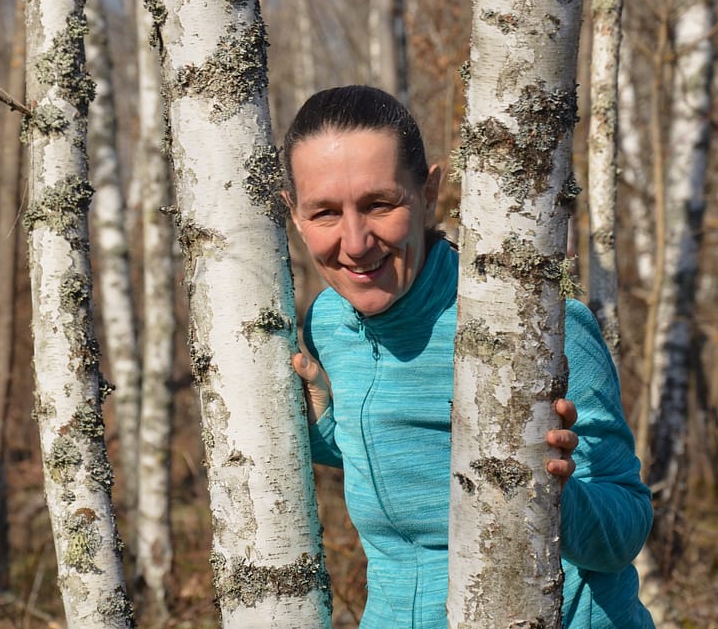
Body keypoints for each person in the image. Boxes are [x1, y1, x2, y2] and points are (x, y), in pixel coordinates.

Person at [281, 85, 655, 629]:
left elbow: (625, 530)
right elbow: (408, 458)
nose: (356, 242)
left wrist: (548, 494)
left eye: (379, 204)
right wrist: (322, 428)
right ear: (294, 214)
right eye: (325, 213)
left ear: (429, 192)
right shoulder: (329, 322)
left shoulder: (538, 327)